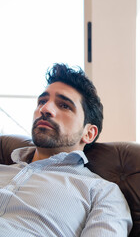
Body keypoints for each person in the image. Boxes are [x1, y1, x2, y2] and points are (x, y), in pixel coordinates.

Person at [0, 63, 132, 236]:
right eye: (42, 101)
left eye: (64, 106)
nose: (45, 109)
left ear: (89, 133)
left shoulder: (101, 192)